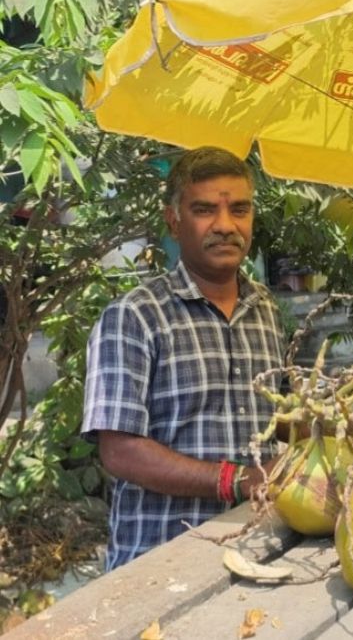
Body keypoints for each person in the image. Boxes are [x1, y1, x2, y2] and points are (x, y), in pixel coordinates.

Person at [82, 146, 288, 571]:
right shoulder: (134, 316)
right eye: (204, 210)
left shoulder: (265, 308)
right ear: (173, 221)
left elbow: (277, 415)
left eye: (240, 210)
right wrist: (236, 480)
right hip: (160, 564)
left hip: (255, 550)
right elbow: (119, 451)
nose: (226, 226)